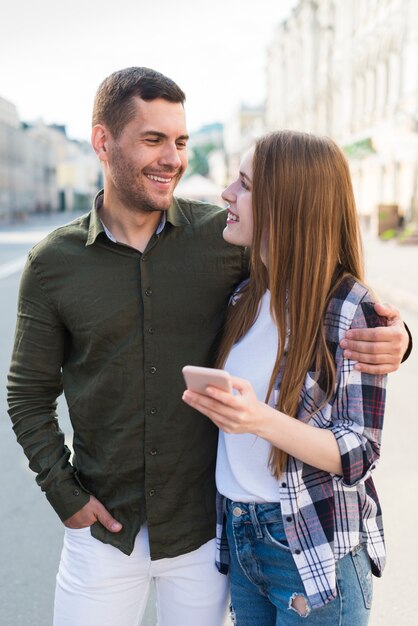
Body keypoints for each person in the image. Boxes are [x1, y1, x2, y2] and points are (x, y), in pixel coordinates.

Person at [7, 68, 409, 626]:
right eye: (153, 140)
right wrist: (64, 495)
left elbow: (319, 279)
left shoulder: (223, 238)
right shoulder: (53, 263)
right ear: (104, 142)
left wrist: (398, 337)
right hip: (106, 532)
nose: (173, 158)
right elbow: (27, 394)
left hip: (205, 536)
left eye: (180, 142)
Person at [182, 131, 398, 625]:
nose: (226, 195)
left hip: (310, 545)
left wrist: (259, 420)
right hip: (241, 537)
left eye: (244, 184)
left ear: (286, 204)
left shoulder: (350, 309)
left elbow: (359, 450)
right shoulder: (244, 299)